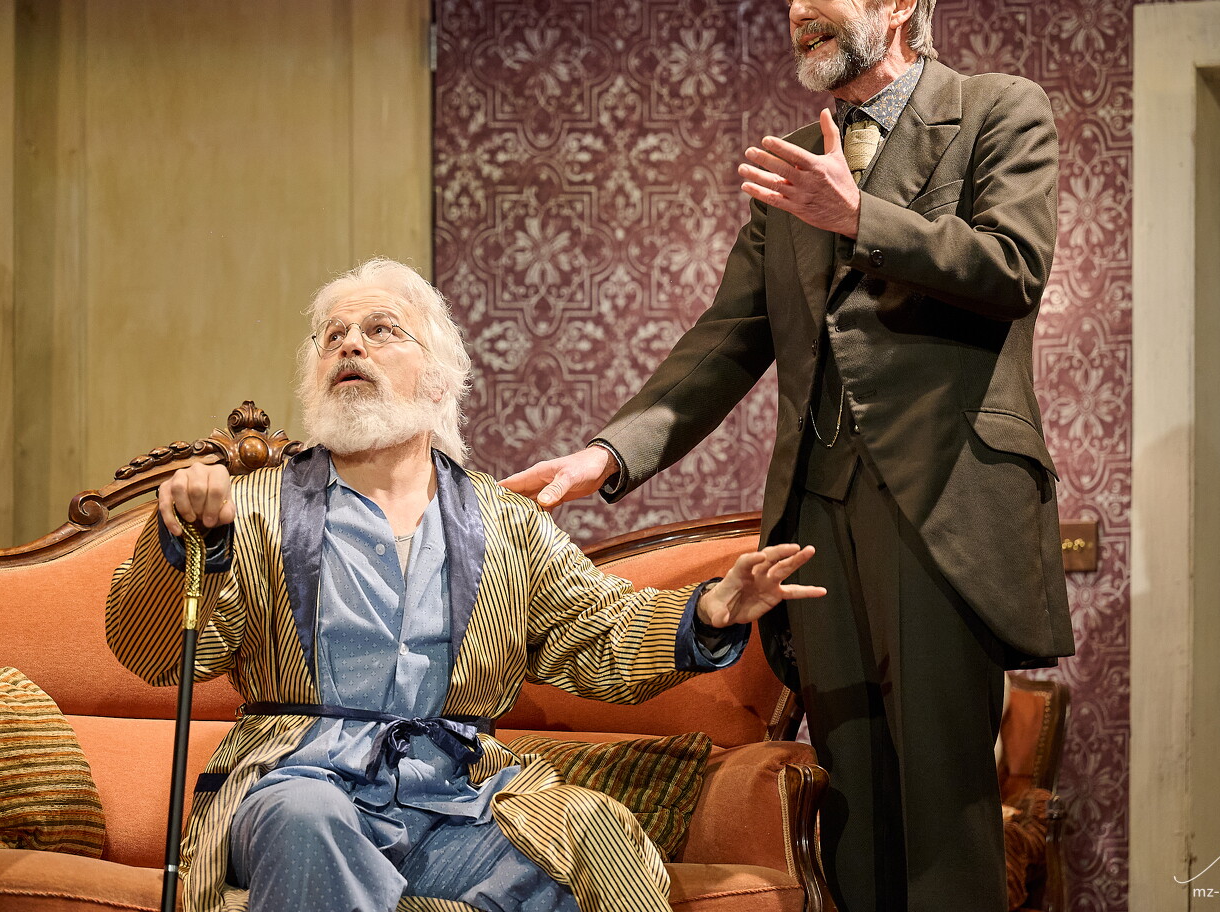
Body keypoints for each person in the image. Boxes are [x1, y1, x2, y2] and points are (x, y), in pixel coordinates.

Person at [503, 0, 1075, 912]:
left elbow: (1012, 266)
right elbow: (727, 338)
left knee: (943, 808)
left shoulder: (996, 110)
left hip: (943, 505)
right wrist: (608, 454)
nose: (799, 11)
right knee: (854, 804)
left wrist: (862, 217)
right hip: (817, 515)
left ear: (897, 1)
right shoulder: (796, 160)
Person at [105, 258, 823, 912]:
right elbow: (154, 653)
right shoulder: (256, 507)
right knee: (305, 818)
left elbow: (597, 631)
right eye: (332, 337)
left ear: (440, 376)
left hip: (454, 803)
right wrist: (184, 544)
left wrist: (709, 613)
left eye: (380, 330)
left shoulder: (503, 522)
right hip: (303, 785)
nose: (350, 346)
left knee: (589, 831)